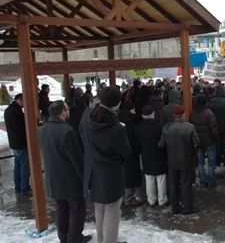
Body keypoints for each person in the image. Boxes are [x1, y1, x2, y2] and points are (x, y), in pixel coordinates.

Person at [79, 86, 131, 243]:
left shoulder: (87, 116)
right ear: (117, 104)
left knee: (99, 207)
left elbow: (81, 133)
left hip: (92, 170)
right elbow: (126, 152)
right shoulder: (116, 128)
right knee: (112, 211)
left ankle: (101, 239)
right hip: (110, 173)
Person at [37, 100, 92, 243]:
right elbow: (76, 159)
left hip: (52, 178)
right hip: (69, 180)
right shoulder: (67, 131)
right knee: (77, 209)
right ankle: (74, 238)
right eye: (67, 109)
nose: (68, 111)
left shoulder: (43, 130)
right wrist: (85, 180)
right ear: (62, 112)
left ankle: (64, 237)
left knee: (60, 208)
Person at [158, 105, 200, 215]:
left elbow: (161, 145)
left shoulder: (166, 127)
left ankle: (175, 207)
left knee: (173, 184)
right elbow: (196, 144)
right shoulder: (190, 127)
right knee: (186, 185)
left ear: (173, 115)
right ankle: (187, 208)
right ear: (183, 115)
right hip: (186, 160)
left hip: (171, 160)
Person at [135, 105, 168, 207]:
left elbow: (137, 144)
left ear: (142, 116)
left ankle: (151, 200)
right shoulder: (159, 127)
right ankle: (162, 199)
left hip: (146, 155)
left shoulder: (138, 128)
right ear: (153, 114)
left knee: (149, 179)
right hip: (159, 155)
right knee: (161, 178)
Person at [4, 94, 32, 196]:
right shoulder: (16, 112)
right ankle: (24, 187)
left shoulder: (9, 110)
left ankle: (18, 186)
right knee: (24, 165)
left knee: (18, 165)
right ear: (20, 100)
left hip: (15, 142)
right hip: (20, 142)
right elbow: (19, 127)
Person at [189, 94, 220, 188]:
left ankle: (202, 182)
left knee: (200, 162)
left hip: (198, 141)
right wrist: (216, 139)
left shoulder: (192, 113)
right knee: (211, 163)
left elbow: (191, 126)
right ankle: (211, 182)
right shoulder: (209, 113)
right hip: (209, 141)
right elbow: (213, 128)